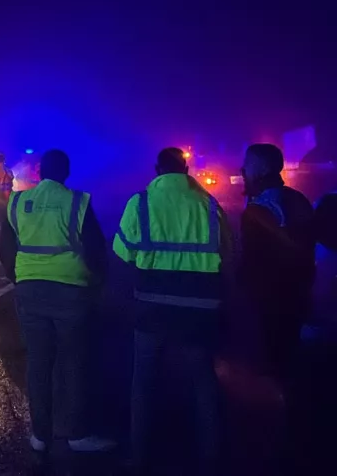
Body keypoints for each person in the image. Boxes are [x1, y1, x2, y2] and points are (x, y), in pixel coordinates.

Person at [114, 147, 230, 475]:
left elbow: (123, 251)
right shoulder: (209, 204)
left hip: (152, 306)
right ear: (186, 169)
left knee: (144, 383)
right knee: (203, 381)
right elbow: (226, 251)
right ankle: (211, 457)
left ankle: (140, 457)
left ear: (157, 170)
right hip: (200, 308)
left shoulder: (141, 203)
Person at [1, 149, 114, 454]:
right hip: (71, 291)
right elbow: (96, 250)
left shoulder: (19, 201)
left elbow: (6, 250)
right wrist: (97, 283)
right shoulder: (77, 201)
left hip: (30, 291)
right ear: (66, 172)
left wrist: (21, 279)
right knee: (74, 362)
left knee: (38, 362)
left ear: (39, 172)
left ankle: (40, 435)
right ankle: (76, 434)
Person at [238, 143, 314, 379]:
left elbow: (253, 257)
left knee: (273, 356)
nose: (243, 170)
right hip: (301, 290)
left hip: (271, 295)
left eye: (248, 164)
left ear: (261, 169)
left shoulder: (260, 208)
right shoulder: (298, 199)